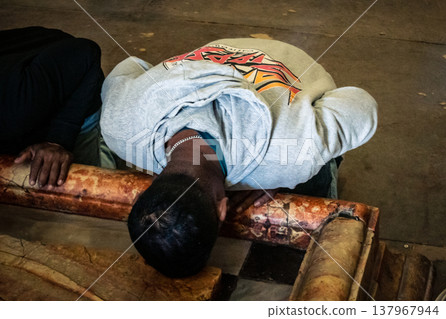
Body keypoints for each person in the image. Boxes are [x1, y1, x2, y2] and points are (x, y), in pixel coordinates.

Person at [101, 38, 378, 277]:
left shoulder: (291, 151)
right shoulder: (121, 128)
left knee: (311, 174)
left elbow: (361, 104)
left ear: (223, 211)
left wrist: (280, 172)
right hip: (219, 49)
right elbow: (130, 66)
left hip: (288, 58)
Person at [0, 26, 115, 189]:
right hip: (31, 89)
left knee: (90, 182)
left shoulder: (18, 100)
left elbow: (85, 53)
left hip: (74, 79)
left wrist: (57, 141)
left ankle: (108, 146)